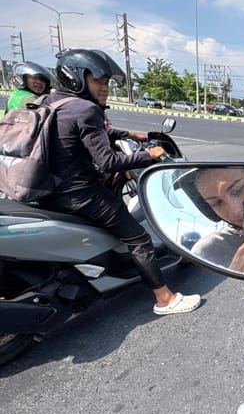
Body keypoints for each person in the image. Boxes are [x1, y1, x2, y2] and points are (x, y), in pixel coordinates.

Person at [41, 48, 201, 316]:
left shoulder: (53, 101)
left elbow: (90, 132)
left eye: (106, 84)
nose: (104, 89)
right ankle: (165, 299)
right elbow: (108, 163)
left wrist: (129, 133)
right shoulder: (85, 108)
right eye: (98, 82)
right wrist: (148, 155)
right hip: (79, 193)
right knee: (138, 239)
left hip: (46, 189)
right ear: (76, 78)